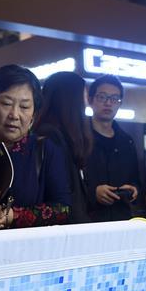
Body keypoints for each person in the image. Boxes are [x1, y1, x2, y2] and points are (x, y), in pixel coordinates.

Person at [0, 65, 72, 229]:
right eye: (6, 103)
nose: (14, 115)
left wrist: (14, 215)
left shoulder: (46, 150)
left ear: (33, 114)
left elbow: (63, 208)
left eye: (24, 107)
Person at [33, 71, 93, 225]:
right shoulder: (51, 136)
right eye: (84, 95)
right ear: (71, 99)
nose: (87, 102)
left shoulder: (63, 136)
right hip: (65, 230)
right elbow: (64, 196)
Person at [84, 75, 142, 222]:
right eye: (102, 97)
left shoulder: (127, 141)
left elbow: (136, 179)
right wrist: (93, 193)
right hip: (88, 221)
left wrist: (134, 189)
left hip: (121, 220)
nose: (108, 103)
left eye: (114, 98)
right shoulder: (80, 137)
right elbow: (69, 182)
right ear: (90, 100)